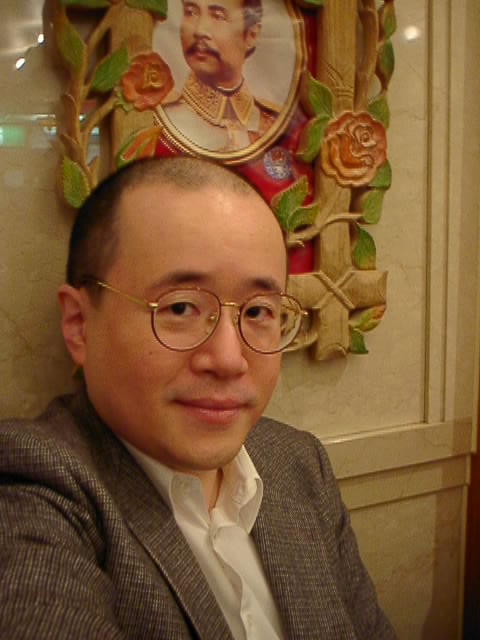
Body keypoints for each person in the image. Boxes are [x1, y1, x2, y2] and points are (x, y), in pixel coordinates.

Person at [0, 156, 396, 639]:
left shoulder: (298, 462)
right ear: (80, 325)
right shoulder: (34, 485)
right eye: (181, 307)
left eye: (258, 312)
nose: (228, 359)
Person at [160, 0, 281, 152]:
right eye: (190, 12)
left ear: (252, 34)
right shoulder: (158, 117)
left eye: (217, 16)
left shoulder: (274, 123)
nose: (199, 30)